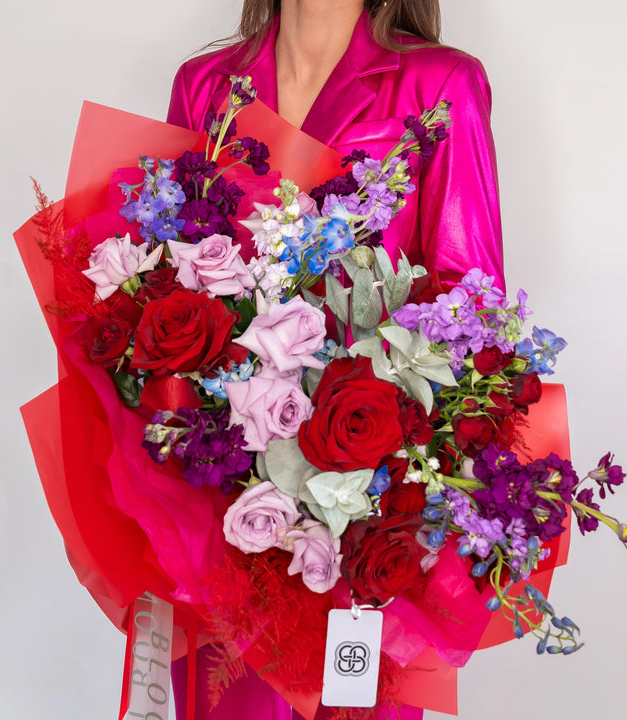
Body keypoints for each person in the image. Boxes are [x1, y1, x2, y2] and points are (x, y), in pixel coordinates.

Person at [166, 1, 505, 717]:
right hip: (224, 512)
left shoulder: (440, 85)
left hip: (364, 509)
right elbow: (175, 281)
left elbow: (473, 307)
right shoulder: (206, 86)